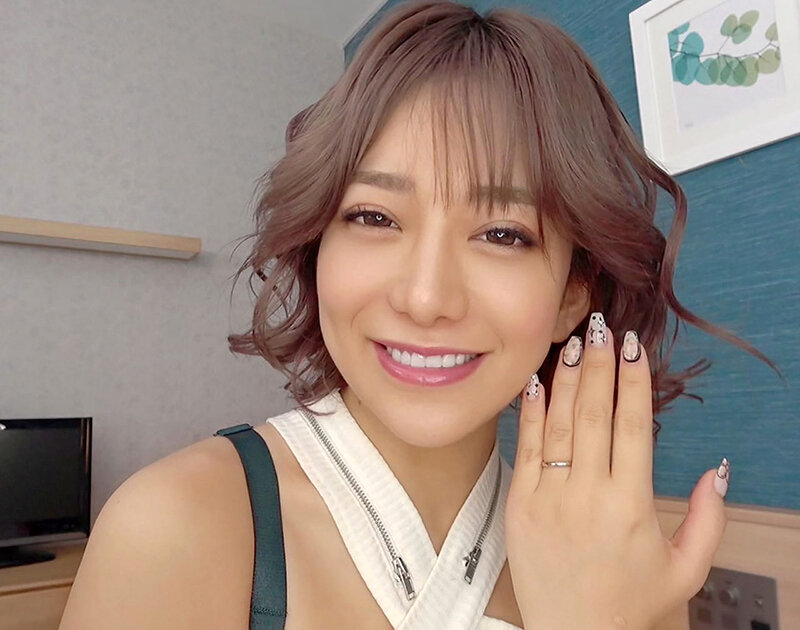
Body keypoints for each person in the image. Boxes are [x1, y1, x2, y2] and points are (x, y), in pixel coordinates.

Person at [59, 2, 777, 629]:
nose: (426, 298)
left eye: (503, 234)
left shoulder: (619, 561)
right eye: (374, 217)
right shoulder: (176, 528)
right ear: (316, 244)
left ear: (572, 292)